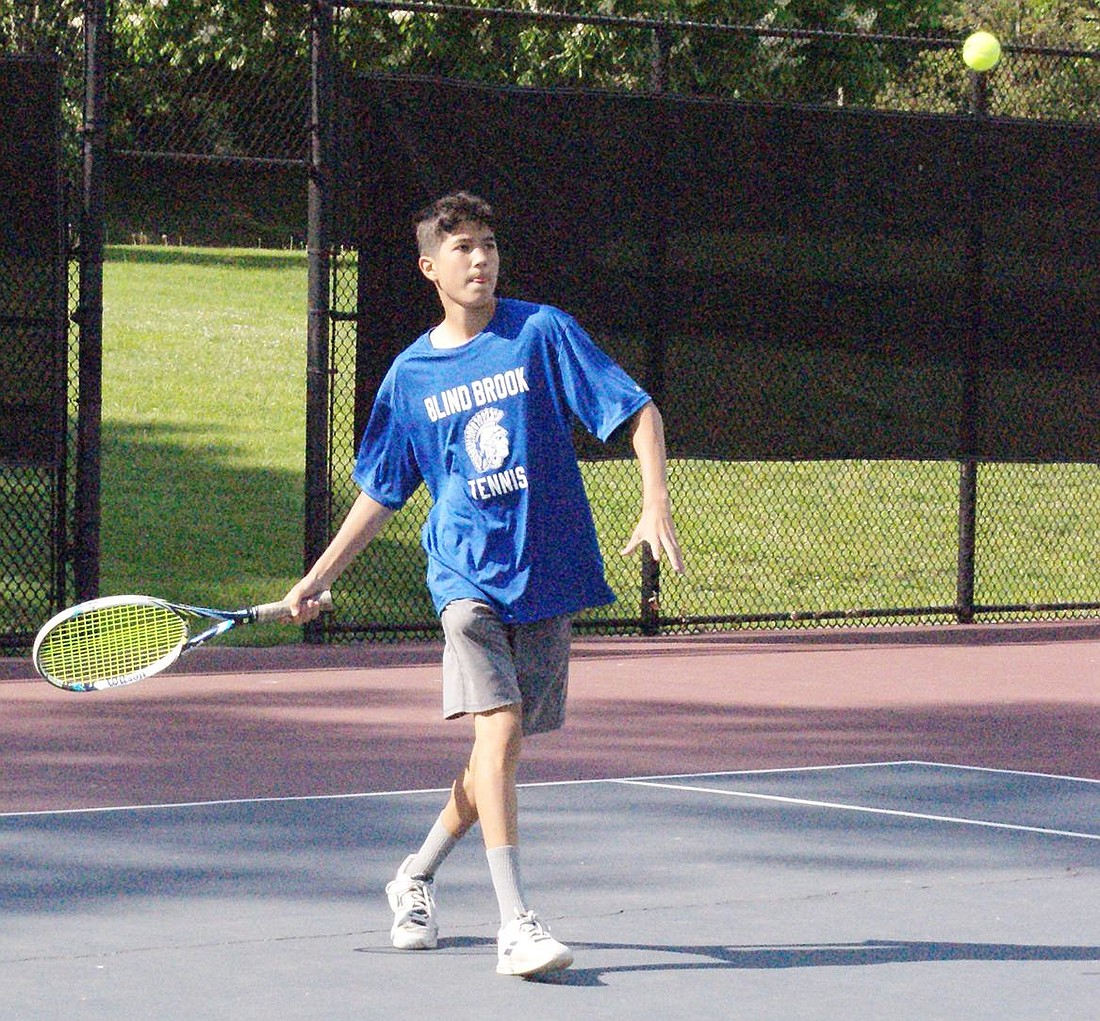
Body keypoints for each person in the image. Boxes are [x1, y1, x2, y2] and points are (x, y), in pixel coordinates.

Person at [284, 191, 684, 978]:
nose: (481, 259)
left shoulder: (540, 332)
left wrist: (654, 499)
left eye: (489, 244)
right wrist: (320, 575)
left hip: (548, 574)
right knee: (498, 734)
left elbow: (636, 410)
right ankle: (516, 922)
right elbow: (383, 491)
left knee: (497, 753)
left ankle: (414, 874)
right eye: (462, 247)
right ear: (430, 266)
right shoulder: (410, 376)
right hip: (465, 576)